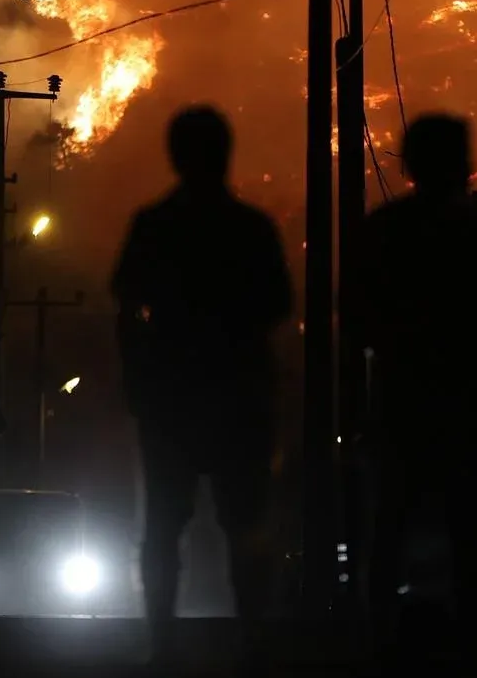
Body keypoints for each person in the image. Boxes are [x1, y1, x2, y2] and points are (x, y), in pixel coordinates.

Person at [111, 105, 294, 671]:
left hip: (172, 399)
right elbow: (279, 306)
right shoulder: (250, 228)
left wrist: (140, 376)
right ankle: (253, 639)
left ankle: (162, 642)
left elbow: (126, 306)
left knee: (165, 525)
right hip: (237, 398)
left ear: (175, 155)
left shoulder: (154, 225)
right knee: (244, 522)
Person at [358, 113, 477, 665]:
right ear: (464, 165)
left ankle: (378, 643)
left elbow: (356, 318)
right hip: (471, 404)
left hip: (402, 402)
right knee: (472, 533)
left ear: (410, 165)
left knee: (390, 527)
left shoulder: (383, 230)